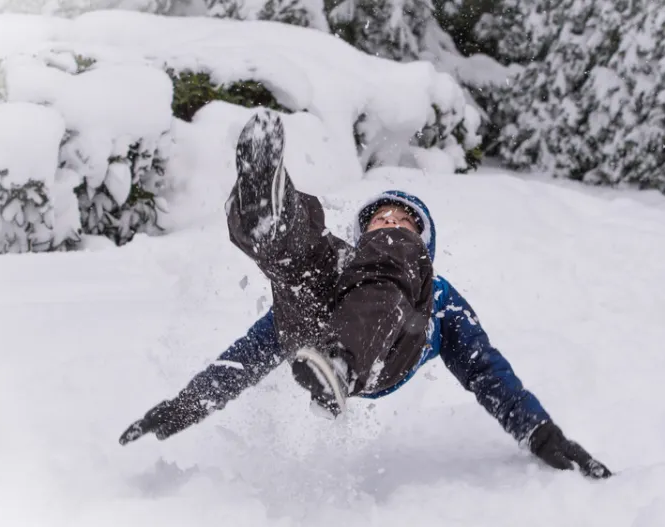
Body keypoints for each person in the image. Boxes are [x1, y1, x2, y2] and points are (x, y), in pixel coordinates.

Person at [118, 109, 612, 480]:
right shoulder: (344, 262)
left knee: (381, 259)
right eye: (380, 219)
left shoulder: (439, 298)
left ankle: (340, 362)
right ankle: (266, 217)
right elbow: (250, 353)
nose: (391, 225)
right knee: (310, 258)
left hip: (383, 352)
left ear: (428, 245)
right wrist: (187, 404)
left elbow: (486, 371)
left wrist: (540, 432)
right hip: (317, 331)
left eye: (405, 224)